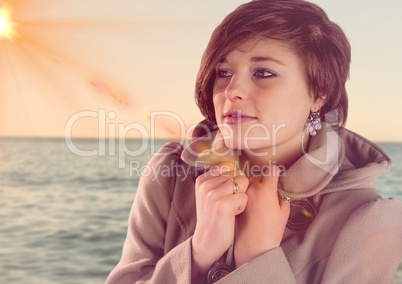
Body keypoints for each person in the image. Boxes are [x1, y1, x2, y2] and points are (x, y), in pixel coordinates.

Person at [106, 0, 402, 283]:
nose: (231, 90)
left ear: (319, 93)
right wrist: (199, 252)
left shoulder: (367, 220)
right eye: (223, 72)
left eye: (263, 72)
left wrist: (258, 258)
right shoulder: (170, 174)